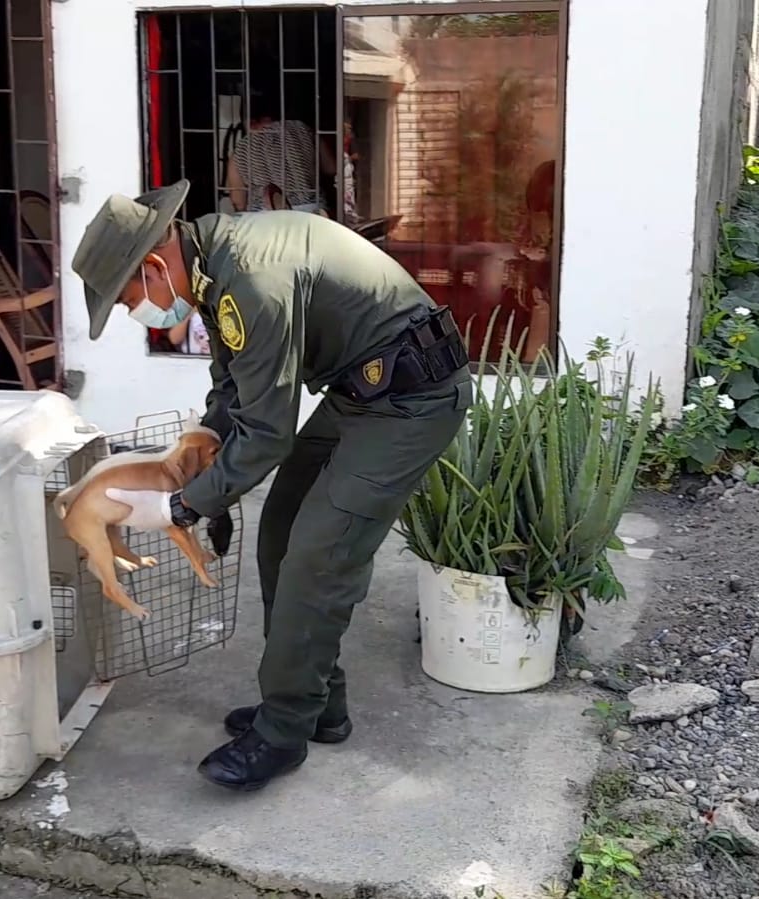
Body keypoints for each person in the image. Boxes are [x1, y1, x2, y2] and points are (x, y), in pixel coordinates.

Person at [69, 179, 472, 791]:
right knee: (280, 531)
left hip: (413, 400)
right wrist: (203, 437)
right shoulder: (212, 263)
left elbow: (267, 434)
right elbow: (236, 385)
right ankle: (317, 707)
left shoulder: (251, 278)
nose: (134, 315)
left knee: (320, 551)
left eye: (127, 301)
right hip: (365, 391)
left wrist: (178, 508)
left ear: (153, 266)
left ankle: (284, 731)